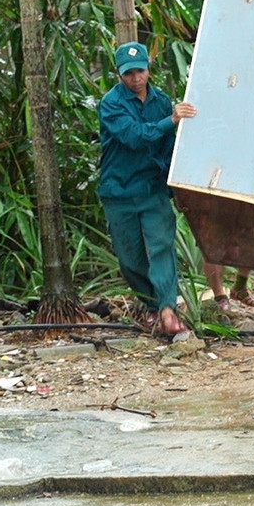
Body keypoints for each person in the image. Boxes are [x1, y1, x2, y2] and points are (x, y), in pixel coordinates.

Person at [97, 41, 196, 336]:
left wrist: (175, 190)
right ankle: (153, 303)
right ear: (119, 74)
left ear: (148, 68)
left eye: (139, 71)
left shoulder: (161, 100)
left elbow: (167, 150)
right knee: (130, 260)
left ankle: (167, 308)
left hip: (153, 188)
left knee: (162, 246)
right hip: (120, 191)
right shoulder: (111, 104)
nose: (135, 78)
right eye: (128, 74)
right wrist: (172, 120)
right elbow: (134, 136)